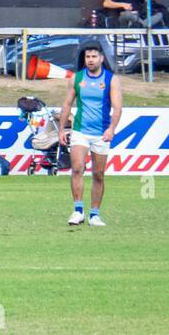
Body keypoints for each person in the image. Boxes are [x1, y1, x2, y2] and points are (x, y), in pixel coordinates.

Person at [58, 43, 122, 226]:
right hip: (80, 131)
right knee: (77, 168)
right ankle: (78, 211)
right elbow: (67, 105)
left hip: (101, 133)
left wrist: (111, 129)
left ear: (101, 58)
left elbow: (117, 108)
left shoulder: (111, 80)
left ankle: (94, 214)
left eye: (94, 56)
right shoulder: (76, 78)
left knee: (98, 174)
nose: (91, 60)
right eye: (87, 57)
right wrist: (62, 129)